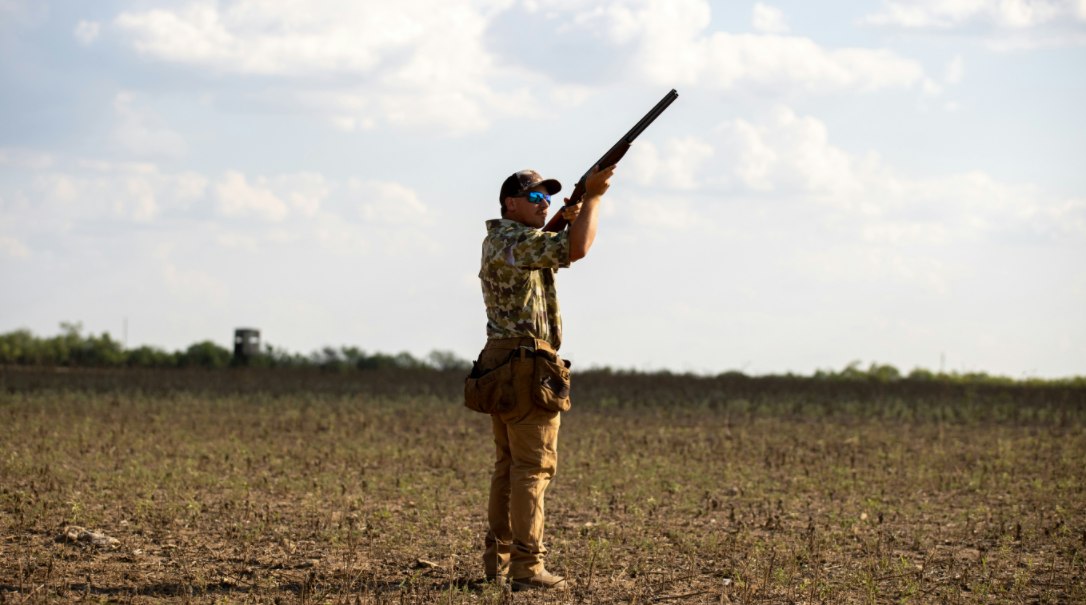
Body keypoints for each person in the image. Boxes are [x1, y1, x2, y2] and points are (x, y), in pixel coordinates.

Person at [473, 165, 615, 591]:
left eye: (548, 198)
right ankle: (528, 567)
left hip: (502, 362)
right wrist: (593, 198)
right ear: (510, 204)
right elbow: (577, 250)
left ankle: (497, 562)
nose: (544, 204)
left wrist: (561, 220)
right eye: (535, 199)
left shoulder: (508, 241)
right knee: (533, 468)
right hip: (526, 364)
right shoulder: (512, 238)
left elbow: (556, 247)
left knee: (508, 467)